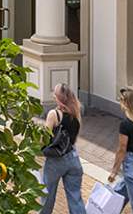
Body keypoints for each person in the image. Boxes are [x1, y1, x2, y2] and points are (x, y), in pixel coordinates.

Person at [39, 82, 87, 214]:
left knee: (47, 197)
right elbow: (73, 140)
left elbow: (44, 137)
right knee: (75, 198)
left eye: (55, 94)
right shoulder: (76, 114)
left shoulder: (54, 114)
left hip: (56, 161)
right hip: (73, 159)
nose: (53, 96)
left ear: (59, 98)